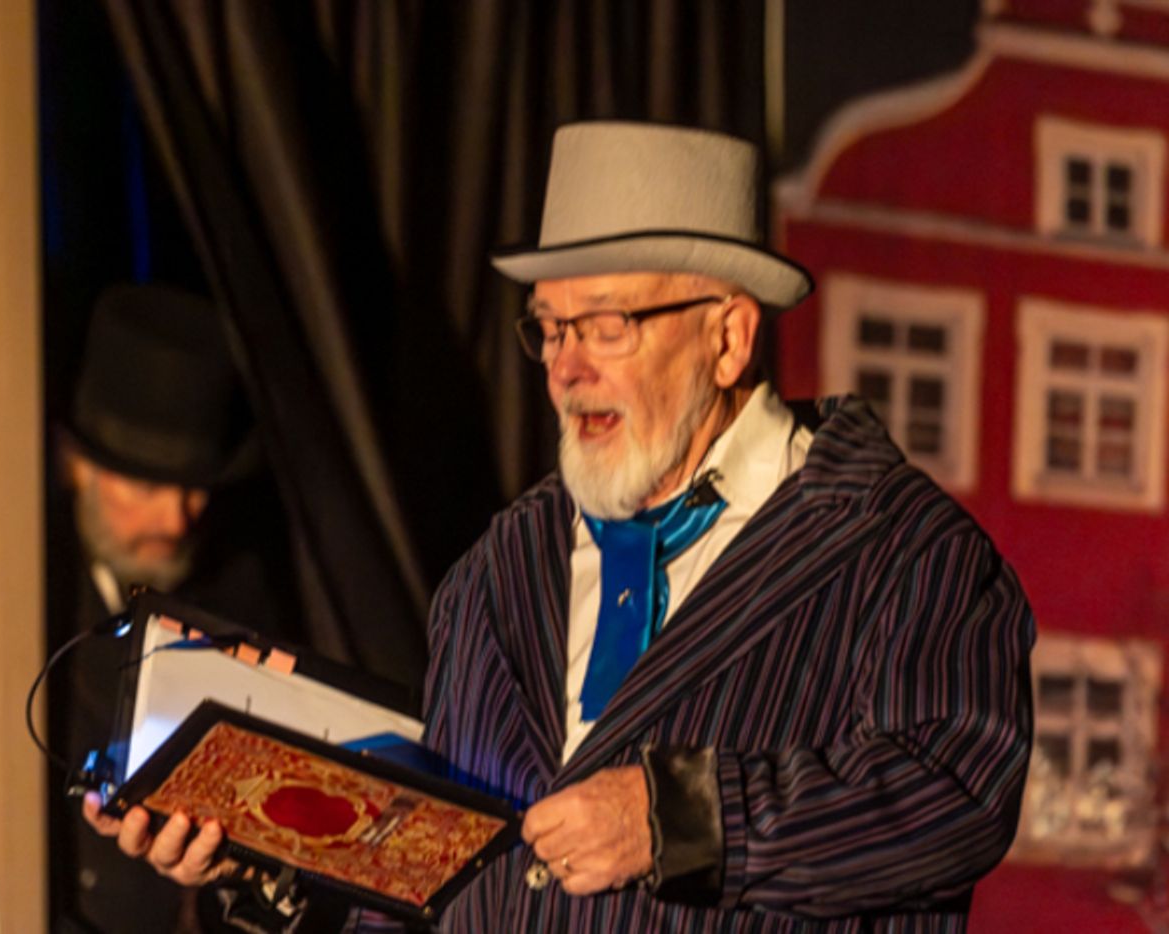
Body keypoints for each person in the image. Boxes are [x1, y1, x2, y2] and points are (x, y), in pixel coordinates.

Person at [85, 123, 1035, 931]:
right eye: (549, 327)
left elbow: (954, 795)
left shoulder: (898, 553)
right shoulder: (498, 571)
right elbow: (431, 891)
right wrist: (270, 866)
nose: (567, 368)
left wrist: (679, 822)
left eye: (607, 325)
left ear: (728, 337)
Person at [50, 282, 305, 933]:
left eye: (194, 488)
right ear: (74, 466)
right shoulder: (32, 601)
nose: (176, 518)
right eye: (145, 485)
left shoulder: (242, 592)